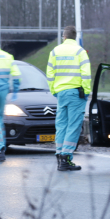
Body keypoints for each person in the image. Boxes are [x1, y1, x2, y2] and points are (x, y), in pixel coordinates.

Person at [46, 25, 91, 172]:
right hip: (75, 93)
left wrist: (54, 91)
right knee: (73, 126)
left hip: (61, 93)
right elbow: (85, 74)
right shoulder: (80, 52)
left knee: (61, 125)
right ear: (75, 36)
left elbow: (50, 74)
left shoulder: (55, 51)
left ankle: (60, 155)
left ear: (63, 37)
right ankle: (66, 157)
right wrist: (86, 92)